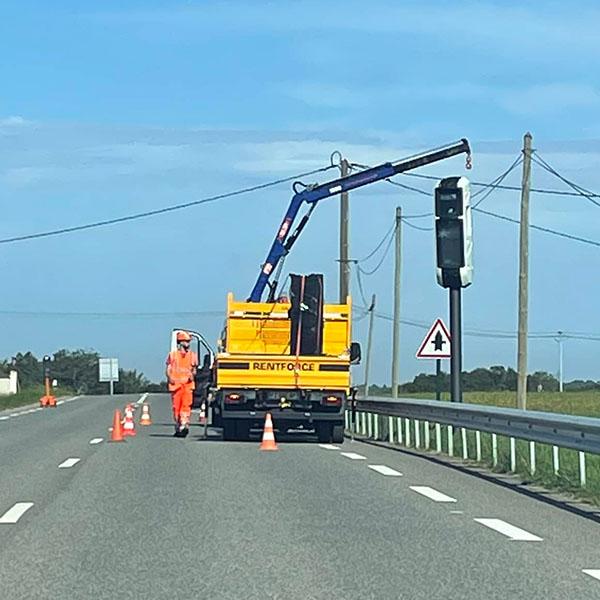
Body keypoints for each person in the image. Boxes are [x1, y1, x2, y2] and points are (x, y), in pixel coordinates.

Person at [166, 331, 198, 437]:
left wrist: (192, 375)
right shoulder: (173, 355)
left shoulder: (193, 356)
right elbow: (168, 368)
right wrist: (170, 378)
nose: (188, 344)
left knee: (186, 406)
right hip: (176, 386)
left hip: (188, 386)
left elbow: (194, 369)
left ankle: (184, 425)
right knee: (176, 408)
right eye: (186, 341)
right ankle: (178, 425)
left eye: (188, 342)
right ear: (180, 342)